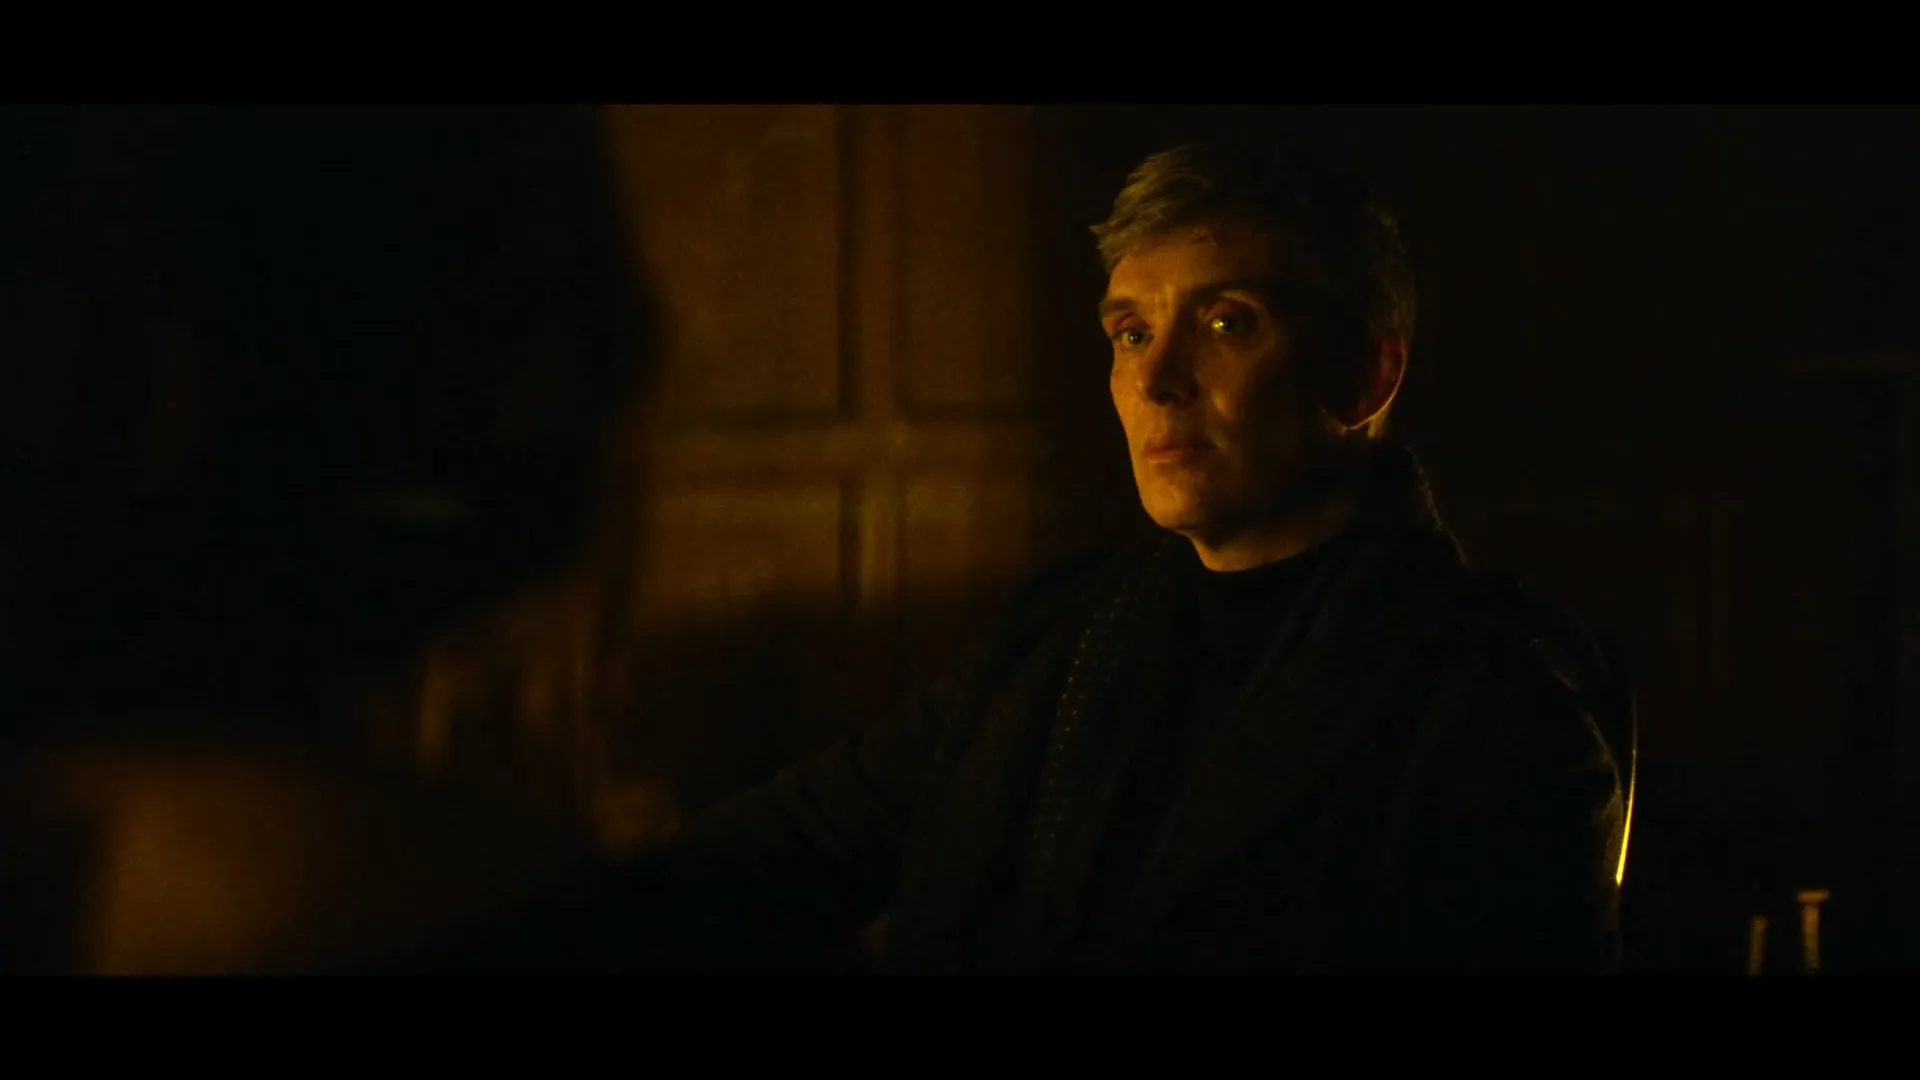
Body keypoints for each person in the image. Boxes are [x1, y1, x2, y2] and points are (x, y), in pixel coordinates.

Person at [410, 142, 1633, 975]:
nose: (1155, 380)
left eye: (1226, 321)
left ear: (1365, 374)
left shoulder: (1488, 707)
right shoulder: (1068, 631)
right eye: (1129, 331)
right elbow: (798, 844)